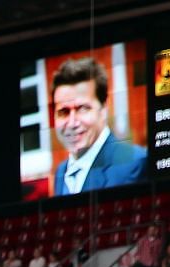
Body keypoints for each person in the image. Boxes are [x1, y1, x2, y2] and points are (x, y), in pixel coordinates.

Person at [49, 58, 148, 194]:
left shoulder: (135, 163)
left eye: (83, 108)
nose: (72, 123)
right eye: (63, 112)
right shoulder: (61, 172)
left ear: (104, 108)